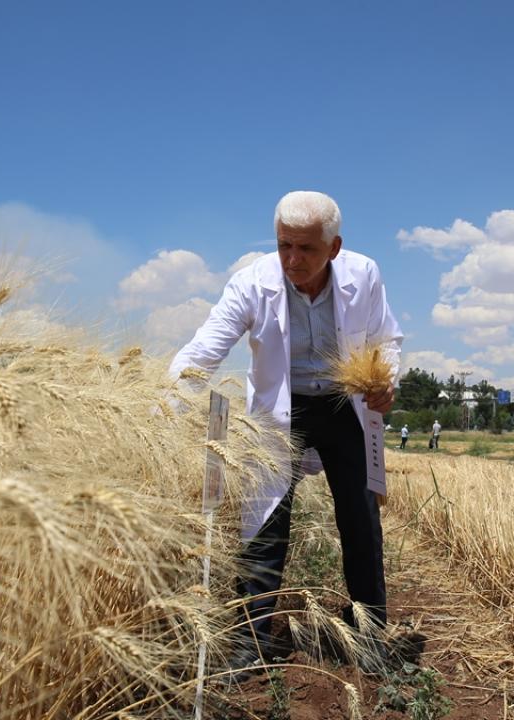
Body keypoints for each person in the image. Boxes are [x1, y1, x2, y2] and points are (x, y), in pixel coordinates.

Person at [168, 190, 403, 671]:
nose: (292, 260)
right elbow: (203, 351)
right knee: (265, 523)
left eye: (307, 249)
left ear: (334, 248)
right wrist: (159, 412)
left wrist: (386, 381)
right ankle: (249, 636)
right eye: (283, 246)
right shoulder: (250, 285)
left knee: (360, 518)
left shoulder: (365, 274)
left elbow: (385, 339)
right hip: (282, 407)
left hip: (344, 406)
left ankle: (369, 629)